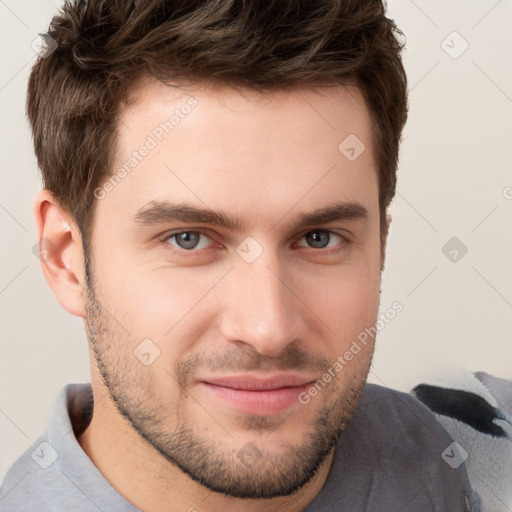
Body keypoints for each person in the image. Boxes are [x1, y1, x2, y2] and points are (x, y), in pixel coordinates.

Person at [0, 0, 481, 510]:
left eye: (319, 238)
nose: (268, 329)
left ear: (380, 247)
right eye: (189, 238)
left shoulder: (456, 451)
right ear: (65, 257)